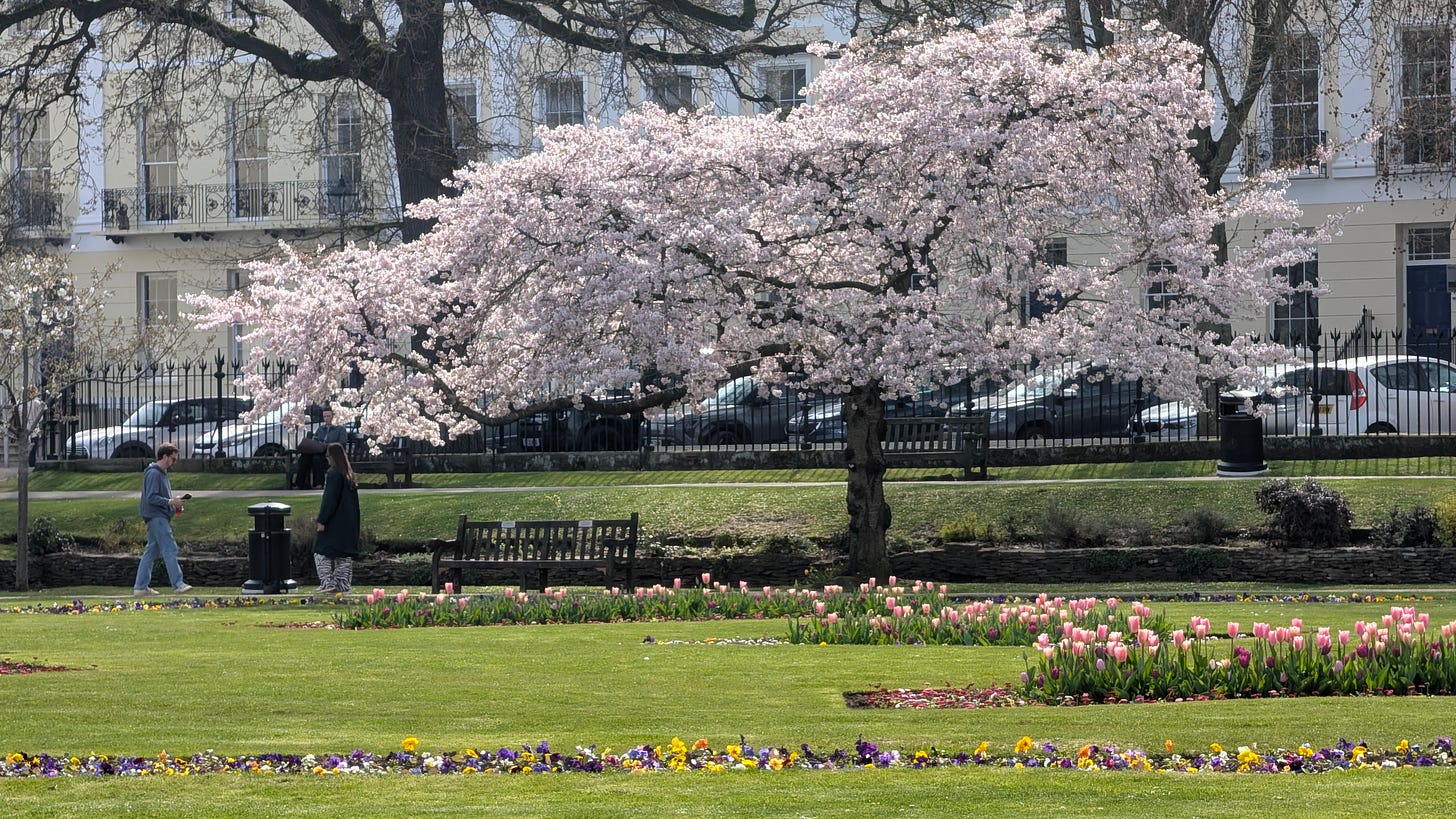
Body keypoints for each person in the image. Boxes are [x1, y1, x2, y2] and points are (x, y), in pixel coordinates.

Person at [134, 442, 192, 596]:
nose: (174, 462)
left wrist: (174, 504)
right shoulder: (154, 473)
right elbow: (152, 497)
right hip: (156, 516)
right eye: (173, 459)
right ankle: (178, 584)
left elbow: (158, 497)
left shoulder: (160, 473)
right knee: (170, 547)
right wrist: (171, 502)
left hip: (157, 515)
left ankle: (140, 587)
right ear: (164, 456)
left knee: (152, 551)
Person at [313, 441, 361, 594]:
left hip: (334, 522)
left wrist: (322, 520)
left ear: (332, 457)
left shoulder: (333, 474)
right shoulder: (348, 475)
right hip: (348, 522)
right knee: (344, 555)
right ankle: (342, 584)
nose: (326, 459)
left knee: (321, 552)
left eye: (327, 456)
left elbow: (329, 499)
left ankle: (328, 583)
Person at [294, 405, 350, 489]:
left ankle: (318, 484)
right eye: (324, 416)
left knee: (317, 458)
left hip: (331, 453)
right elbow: (315, 440)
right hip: (318, 450)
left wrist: (327, 445)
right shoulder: (321, 429)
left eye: (328, 416)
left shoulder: (340, 429)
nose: (326, 418)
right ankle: (299, 484)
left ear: (333, 416)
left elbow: (342, 443)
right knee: (304, 457)